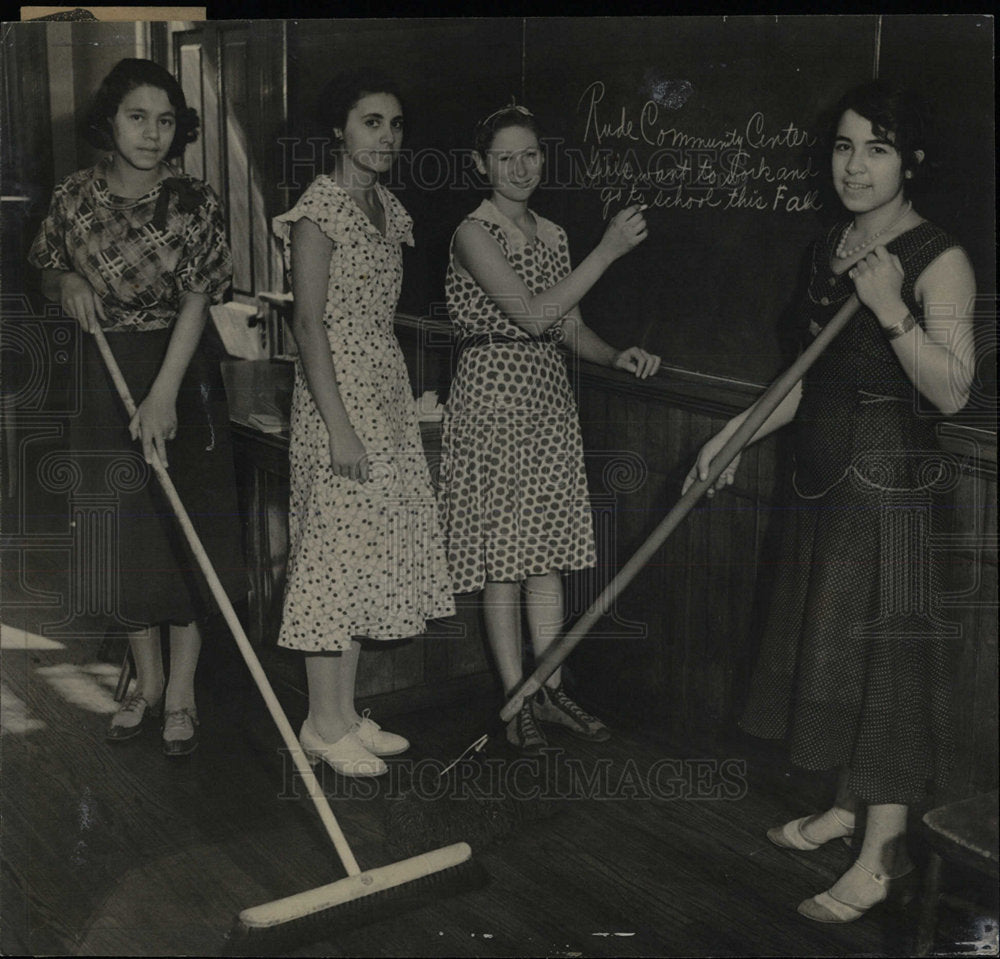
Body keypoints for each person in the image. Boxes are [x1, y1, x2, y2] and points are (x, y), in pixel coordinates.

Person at [685, 80, 975, 922]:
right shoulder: (830, 245)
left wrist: (891, 311)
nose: (854, 165)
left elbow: (954, 392)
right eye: (845, 146)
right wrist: (735, 432)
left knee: (884, 668)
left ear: (911, 160)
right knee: (834, 650)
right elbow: (807, 381)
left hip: (891, 486)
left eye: (877, 149)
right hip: (823, 475)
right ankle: (848, 806)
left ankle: (881, 856)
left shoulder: (938, 257)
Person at [29, 58, 243, 756]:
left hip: (181, 374)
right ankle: (145, 684)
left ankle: (181, 690)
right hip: (103, 375)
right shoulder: (73, 197)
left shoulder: (195, 201)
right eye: (137, 117)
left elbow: (198, 299)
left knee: (187, 539)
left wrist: (163, 395)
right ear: (109, 121)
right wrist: (64, 283)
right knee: (126, 540)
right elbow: (47, 263)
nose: (153, 134)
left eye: (166, 120)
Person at [439, 103, 662, 755]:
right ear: (483, 165)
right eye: (504, 156)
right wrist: (610, 250)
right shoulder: (472, 233)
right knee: (504, 562)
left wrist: (611, 352)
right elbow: (533, 316)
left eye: (530, 153)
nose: (519, 167)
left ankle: (550, 686)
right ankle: (515, 699)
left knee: (548, 557)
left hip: (548, 402)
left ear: (543, 156)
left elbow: (566, 327)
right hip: (493, 401)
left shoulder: (556, 234)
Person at [272, 70, 455, 778]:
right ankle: (319, 723)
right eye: (371, 122)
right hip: (334, 396)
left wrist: (388, 409)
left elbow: (374, 320)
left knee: (363, 552)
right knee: (330, 554)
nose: (386, 136)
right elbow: (310, 323)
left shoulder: (386, 207)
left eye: (396, 123)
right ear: (340, 132)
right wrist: (339, 426)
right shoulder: (321, 208)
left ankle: (344, 714)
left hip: (380, 388)